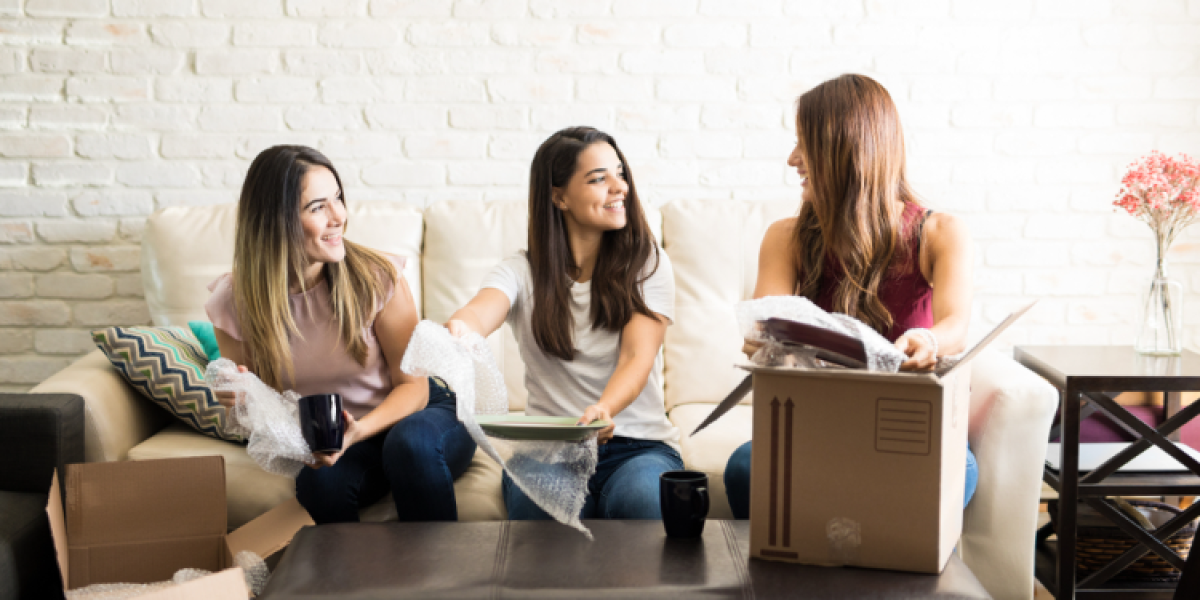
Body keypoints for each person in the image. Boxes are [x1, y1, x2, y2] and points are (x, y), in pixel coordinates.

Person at [725, 74, 978, 519]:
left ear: (844, 151)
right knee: (745, 468)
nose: (791, 160)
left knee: (959, 469)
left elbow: (956, 323)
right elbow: (762, 325)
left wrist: (930, 341)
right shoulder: (785, 237)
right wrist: (762, 339)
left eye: (803, 145)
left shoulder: (939, 233)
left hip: (907, 422)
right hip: (817, 421)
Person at [206, 145, 476, 524]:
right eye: (318, 207)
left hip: (421, 415)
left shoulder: (377, 278)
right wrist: (237, 398)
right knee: (320, 485)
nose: (339, 217)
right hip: (345, 440)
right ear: (275, 220)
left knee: (409, 445)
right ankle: (352, 582)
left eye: (338, 199)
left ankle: (442, 580)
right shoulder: (234, 302)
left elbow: (414, 386)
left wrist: (359, 430)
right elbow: (258, 398)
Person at [446, 126, 682, 520]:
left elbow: (636, 358)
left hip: (636, 446)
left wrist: (605, 408)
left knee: (643, 502)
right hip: (548, 451)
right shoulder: (521, 271)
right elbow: (480, 311)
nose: (619, 187)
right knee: (545, 514)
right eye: (598, 178)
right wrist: (459, 330)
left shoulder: (647, 263)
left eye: (620, 173)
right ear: (559, 197)